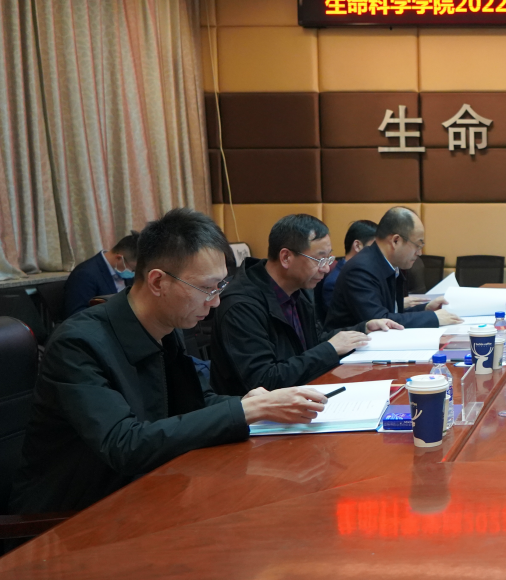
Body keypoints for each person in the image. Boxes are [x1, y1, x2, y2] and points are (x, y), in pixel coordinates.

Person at [10, 209, 331, 514]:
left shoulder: (167, 326)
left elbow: (194, 401)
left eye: (220, 286)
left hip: (148, 493)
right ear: (157, 282)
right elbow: (124, 444)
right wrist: (245, 410)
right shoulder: (77, 344)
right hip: (73, 517)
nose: (216, 302)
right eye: (205, 288)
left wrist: (254, 402)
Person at [209, 214, 402, 396]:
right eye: (319, 259)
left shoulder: (298, 290)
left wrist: (362, 329)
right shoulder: (241, 305)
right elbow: (264, 381)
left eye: (328, 258)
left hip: (302, 394)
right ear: (286, 257)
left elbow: (313, 343)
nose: (326, 268)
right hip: (261, 413)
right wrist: (330, 349)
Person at [324, 207, 460, 329]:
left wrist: (425, 309)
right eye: (418, 245)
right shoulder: (361, 270)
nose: (419, 253)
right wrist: (432, 318)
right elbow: (380, 320)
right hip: (350, 347)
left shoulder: (387, 264)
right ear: (396, 241)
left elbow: (393, 313)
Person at [63, 232, 139, 316]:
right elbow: (77, 314)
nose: (134, 273)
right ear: (119, 258)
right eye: (133, 269)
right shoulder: (84, 274)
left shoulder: (124, 269)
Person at [316, 219, 376, 322]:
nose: (378, 254)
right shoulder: (335, 281)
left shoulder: (364, 274)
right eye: (375, 248)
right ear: (357, 246)